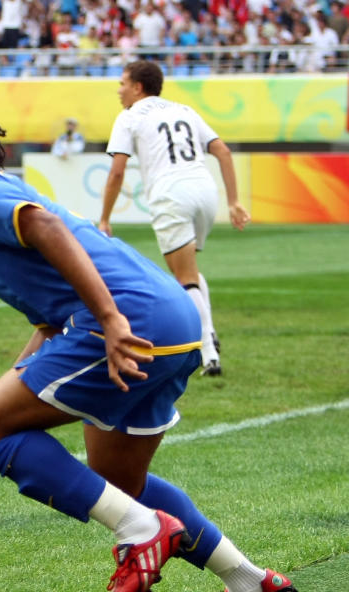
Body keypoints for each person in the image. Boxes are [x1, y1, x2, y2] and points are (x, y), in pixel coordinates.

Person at [0, 105, 294, 592]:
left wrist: (111, 320)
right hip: (176, 321)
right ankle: (248, 581)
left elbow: (45, 227)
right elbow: (48, 323)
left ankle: (140, 532)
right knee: (119, 480)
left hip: (128, 322)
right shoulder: (1, 191)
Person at [100, 60, 250, 377]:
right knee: (189, 268)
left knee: (185, 277)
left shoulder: (128, 118)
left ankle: (207, 349)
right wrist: (234, 201)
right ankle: (208, 334)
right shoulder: (184, 110)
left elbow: (116, 172)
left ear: (138, 87)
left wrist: (104, 218)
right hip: (205, 192)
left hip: (171, 196)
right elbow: (222, 151)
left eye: (123, 83)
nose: (119, 90)